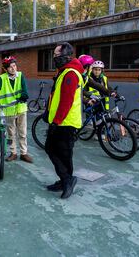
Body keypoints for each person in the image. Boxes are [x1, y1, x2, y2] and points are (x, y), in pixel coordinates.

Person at [45, 42, 84, 199]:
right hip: (62, 121)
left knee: (60, 152)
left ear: (66, 56)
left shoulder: (70, 74)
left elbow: (66, 101)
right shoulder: (65, 72)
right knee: (59, 152)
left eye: (57, 55)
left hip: (65, 122)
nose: (54, 58)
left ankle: (67, 180)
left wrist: (56, 121)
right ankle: (64, 180)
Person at [0, 56, 33, 163]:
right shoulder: (2, 78)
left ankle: (24, 153)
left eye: (14, 66)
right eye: (10, 67)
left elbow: (24, 89)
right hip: (8, 110)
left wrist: (24, 95)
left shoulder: (20, 76)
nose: (13, 68)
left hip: (21, 109)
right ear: (6, 69)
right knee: (11, 133)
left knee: (22, 132)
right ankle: (13, 153)